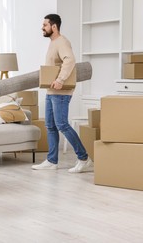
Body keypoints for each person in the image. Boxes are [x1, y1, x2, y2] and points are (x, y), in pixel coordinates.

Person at [31, 14, 92, 173]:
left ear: (54, 26)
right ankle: (52, 161)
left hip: (61, 91)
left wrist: (60, 79)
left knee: (62, 125)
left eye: (45, 25)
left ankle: (83, 158)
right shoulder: (53, 43)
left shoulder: (62, 42)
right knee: (50, 125)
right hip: (51, 90)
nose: (42, 28)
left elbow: (70, 60)